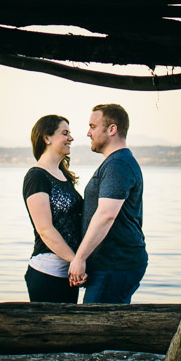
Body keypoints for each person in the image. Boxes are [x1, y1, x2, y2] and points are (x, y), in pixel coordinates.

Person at [68, 102, 147, 303]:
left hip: (115, 266)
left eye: (93, 127)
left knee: (93, 330)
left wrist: (80, 258)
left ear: (112, 129)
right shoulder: (115, 163)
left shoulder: (118, 164)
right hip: (111, 265)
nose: (88, 133)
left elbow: (106, 215)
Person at [21, 114, 83, 303]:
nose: (70, 138)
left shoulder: (64, 176)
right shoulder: (36, 177)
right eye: (65, 133)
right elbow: (45, 229)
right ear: (46, 138)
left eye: (69, 134)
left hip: (69, 275)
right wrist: (76, 261)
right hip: (47, 274)